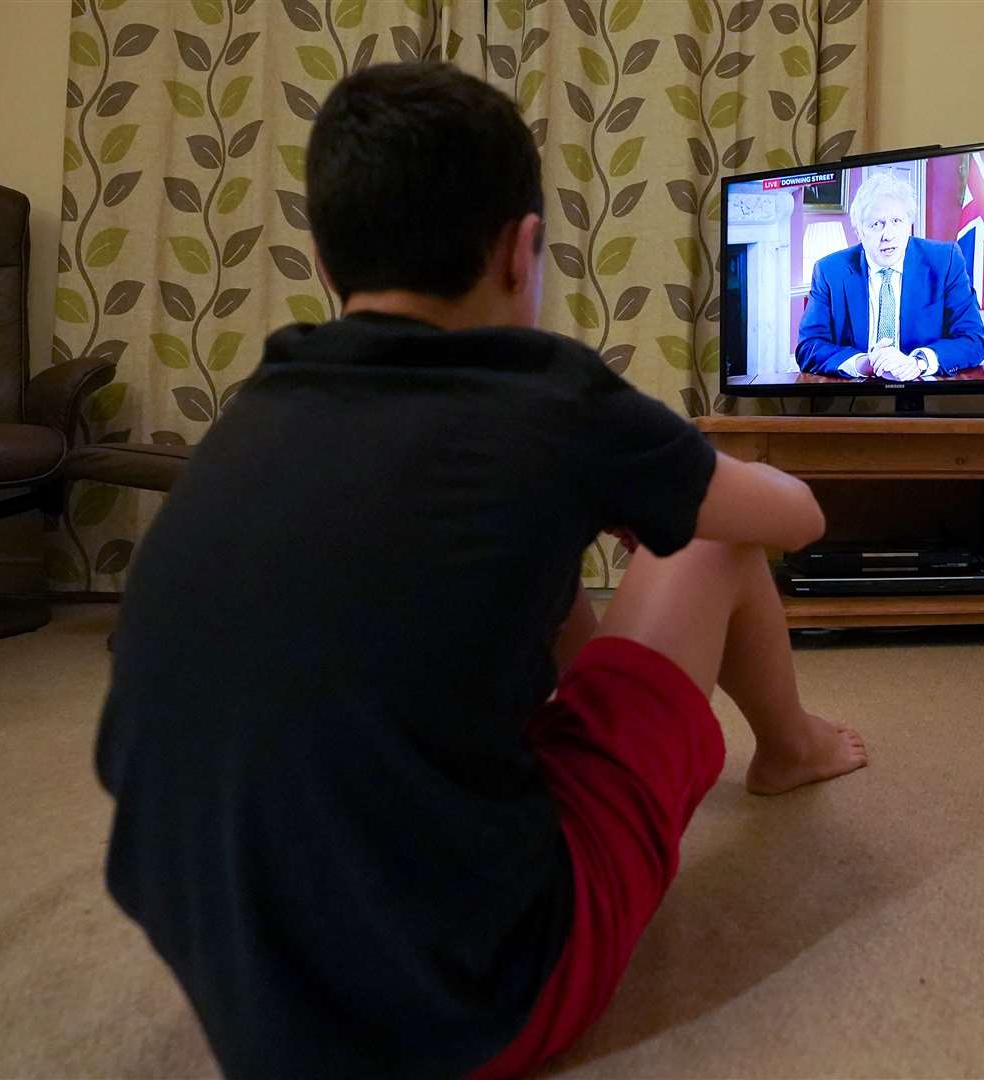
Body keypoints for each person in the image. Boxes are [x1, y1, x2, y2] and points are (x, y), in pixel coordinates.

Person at [95, 61, 867, 1080]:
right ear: (524, 250)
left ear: (329, 269)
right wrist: (673, 490)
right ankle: (792, 747)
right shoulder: (548, 400)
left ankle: (646, 747)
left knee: (505, 577)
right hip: (464, 1008)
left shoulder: (264, 403)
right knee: (718, 537)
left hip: (222, 968)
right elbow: (797, 518)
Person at [795, 171, 984, 380]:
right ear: (859, 232)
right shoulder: (829, 271)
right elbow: (809, 346)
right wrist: (862, 363)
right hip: (857, 397)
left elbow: (972, 339)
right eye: (876, 225)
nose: (888, 235)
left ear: (909, 224)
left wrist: (919, 362)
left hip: (924, 392)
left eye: (896, 221)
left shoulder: (944, 261)